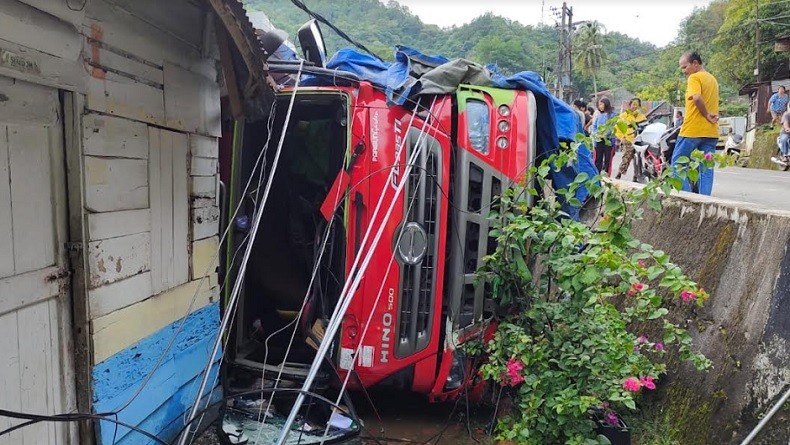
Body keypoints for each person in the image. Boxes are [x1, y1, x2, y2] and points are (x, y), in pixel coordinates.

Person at [671, 51, 719, 195]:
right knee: (706, 167)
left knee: (677, 164)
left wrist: (705, 114)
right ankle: (705, 200)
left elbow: (697, 98)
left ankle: (686, 198)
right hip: (711, 132)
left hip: (693, 130)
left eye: (685, 67)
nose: (684, 71)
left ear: (695, 64)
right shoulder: (712, 79)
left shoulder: (695, 77)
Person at [614, 97, 647, 180]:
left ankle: (636, 176)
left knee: (638, 158)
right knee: (626, 157)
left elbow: (645, 127)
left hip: (639, 140)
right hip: (628, 139)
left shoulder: (642, 117)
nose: (635, 106)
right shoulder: (624, 116)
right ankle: (619, 173)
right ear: (630, 105)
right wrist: (622, 138)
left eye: (637, 105)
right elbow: (617, 128)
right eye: (633, 104)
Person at [590, 97, 617, 175]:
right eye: (599, 105)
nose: (600, 106)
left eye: (601, 104)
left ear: (606, 104)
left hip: (608, 141)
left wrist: (605, 134)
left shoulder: (613, 115)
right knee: (598, 159)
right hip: (599, 140)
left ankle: (607, 175)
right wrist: (596, 134)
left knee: (608, 160)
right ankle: (597, 175)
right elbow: (594, 126)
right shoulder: (599, 116)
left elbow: (612, 127)